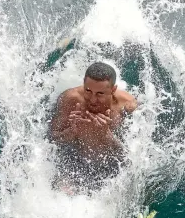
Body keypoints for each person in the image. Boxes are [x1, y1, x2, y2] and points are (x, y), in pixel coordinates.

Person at [49, 61, 138, 191]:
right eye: (88, 90)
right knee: (63, 191)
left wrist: (106, 135)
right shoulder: (70, 99)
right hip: (74, 161)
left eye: (100, 94)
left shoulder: (127, 105)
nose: (92, 99)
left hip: (110, 166)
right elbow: (51, 140)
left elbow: (130, 157)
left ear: (113, 90)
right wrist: (71, 132)